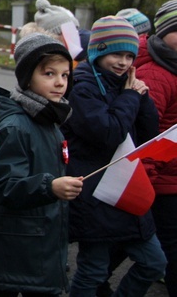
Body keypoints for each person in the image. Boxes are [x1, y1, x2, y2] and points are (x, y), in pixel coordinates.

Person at [0, 33, 84, 296]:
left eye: (65, 75)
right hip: (15, 245)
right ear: (27, 77)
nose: (59, 82)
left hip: (36, 242)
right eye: (49, 73)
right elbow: (6, 187)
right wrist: (51, 187)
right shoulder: (16, 126)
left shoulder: (48, 118)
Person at [63, 16, 166, 297]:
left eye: (129, 56)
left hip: (127, 189)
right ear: (98, 51)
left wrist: (141, 98)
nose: (122, 62)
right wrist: (131, 97)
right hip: (95, 194)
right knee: (93, 270)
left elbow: (146, 134)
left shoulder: (124, 84)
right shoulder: (82, 86)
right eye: (115, 54)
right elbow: (109, 133)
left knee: (154, 262)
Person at [135, 0, 177, 296]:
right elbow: (146, 134)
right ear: (164, 33)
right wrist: (145, 184)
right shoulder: (158, 73)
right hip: (161, 181)